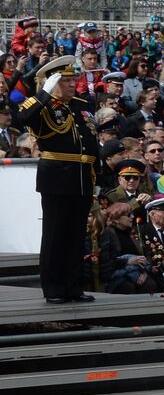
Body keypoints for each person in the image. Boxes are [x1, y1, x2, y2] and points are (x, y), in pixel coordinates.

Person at [15, 56, 100, 303]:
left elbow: (91, 143)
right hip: (57, 176)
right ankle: (53, 288)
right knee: (55, 234)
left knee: (76, 235)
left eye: (75, 79)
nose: (73, 84)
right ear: (53, 82)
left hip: (83, 176)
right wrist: (44, 94)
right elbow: (24, 118)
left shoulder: (81, 105)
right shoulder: (42, 106)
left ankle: (73, 287)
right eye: (66, 80)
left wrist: (99, 177)